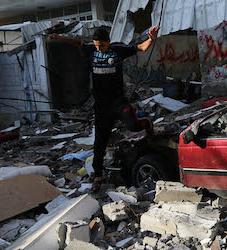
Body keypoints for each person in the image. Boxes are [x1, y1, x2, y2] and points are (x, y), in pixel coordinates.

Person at [49, 26, 159, 193]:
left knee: (133, 126)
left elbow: (142, 47)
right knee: (100, 142)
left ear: (108, 42)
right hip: (102, 106)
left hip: (119, 102)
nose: (99, 49)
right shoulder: (90, 49)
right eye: (97, 46)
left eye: (102, 46)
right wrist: (59, 37)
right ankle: (98, 175)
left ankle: (147, 124)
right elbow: (78, 42)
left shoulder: (118, 49)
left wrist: (151, 38)